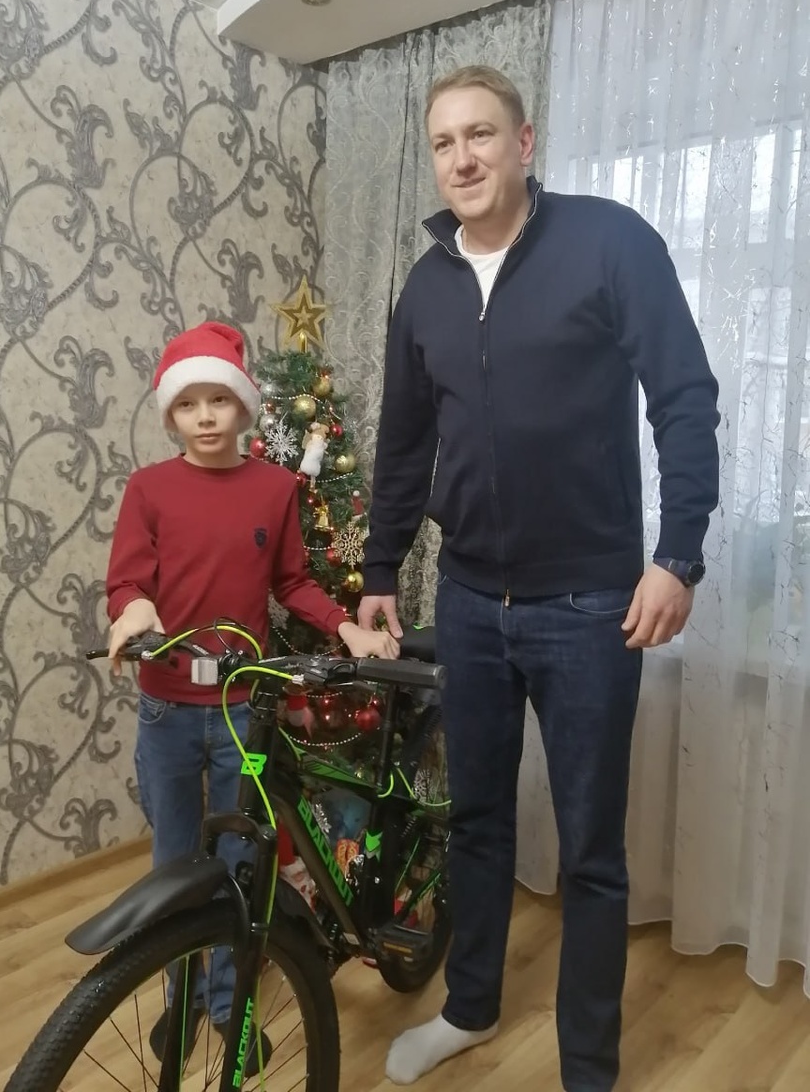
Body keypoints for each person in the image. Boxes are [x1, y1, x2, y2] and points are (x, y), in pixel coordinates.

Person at [358, 65, 719, 1091]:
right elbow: (405, 442)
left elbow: (684, 396)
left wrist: (677, 555)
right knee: (474, 821)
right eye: (444, 143)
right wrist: (381, 566)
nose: (462, 157)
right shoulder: (426, 286)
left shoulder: (609, 242)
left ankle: (587, 1069)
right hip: (470, 600)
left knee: (590, 851)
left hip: (592, 602)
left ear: (524, 143)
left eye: (481, 134)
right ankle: (469, 1007)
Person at [106, 321, 397, 1069]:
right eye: (187, 404)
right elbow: (129, 580)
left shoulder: (274, 488)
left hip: (243, 708)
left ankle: (229, 1006)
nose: (204, 417)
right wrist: (133, 610)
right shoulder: (149, 489)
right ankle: (181, 1001)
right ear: (171, 414)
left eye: (219, 400)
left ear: (242, 406)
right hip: (168, 709)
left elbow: (292, 582)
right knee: (175, 862)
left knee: (241, 860)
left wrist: (347, 628)